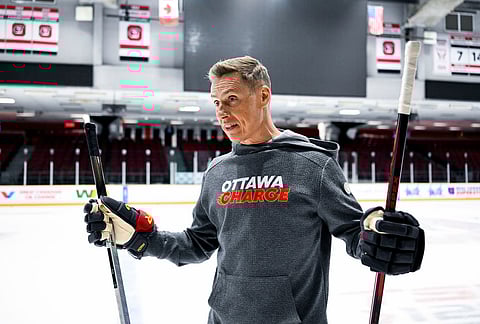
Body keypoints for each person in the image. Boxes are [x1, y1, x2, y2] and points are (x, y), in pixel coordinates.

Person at [84, 56, 425, 324]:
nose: (222, 112)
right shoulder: (217, 172)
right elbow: (198, 244)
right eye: (217, 102)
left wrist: (376, 235)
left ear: (262, 95)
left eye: (231, 99)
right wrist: (141, 238)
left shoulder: (312, 166)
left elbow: (354, 232)